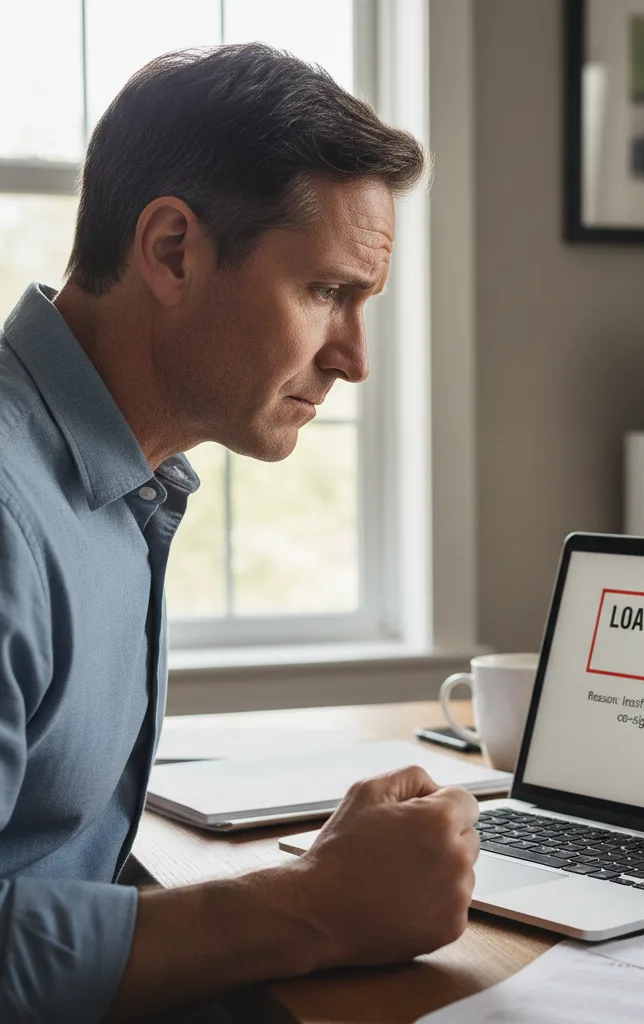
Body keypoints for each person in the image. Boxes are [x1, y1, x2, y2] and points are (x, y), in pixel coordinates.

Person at [0, 44, 479, 1022]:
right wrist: (315, 908)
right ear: (173, 249)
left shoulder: (120, 485)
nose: (352, 359)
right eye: (326, 292)